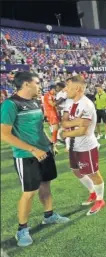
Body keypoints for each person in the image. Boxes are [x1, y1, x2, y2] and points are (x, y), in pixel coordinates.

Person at [0, 72, 69, 247]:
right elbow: (4, 134)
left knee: (46, 185)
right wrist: (32, 149)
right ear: (25, 84)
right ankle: (22, 230)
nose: (40, 85)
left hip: (44, 151)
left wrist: (49, 143)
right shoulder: (10, 104)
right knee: (29, 192)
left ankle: (49, 215)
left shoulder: (35, 102)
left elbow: (39, 128)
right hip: (26, 156)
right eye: (37, 82)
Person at [60, 75, 106, 215]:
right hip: (74, 145)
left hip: (86, 145)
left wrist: (65, 134)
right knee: (75, 170)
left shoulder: (87, 105)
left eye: (68, 87)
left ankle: (100, 199)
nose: (65, 89)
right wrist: (72, 125)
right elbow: (64, 121)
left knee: (93, 173)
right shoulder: (69, 102)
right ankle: (92, 192)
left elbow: (83, 130)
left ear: (78, 88)